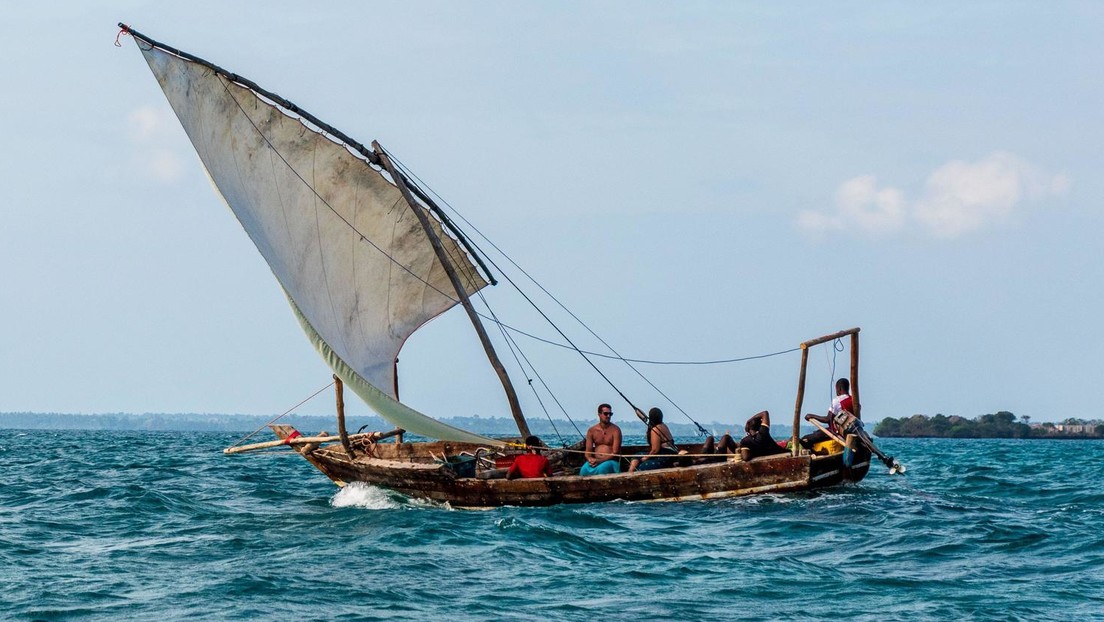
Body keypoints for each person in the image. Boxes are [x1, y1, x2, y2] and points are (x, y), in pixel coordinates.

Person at [800, 378, 856, 452]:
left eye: (836, 389)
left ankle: (814, 452)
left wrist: (811, 416)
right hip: (851, 432)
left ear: (839, 389)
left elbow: (828, 419)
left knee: (805, 439)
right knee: (817, 433)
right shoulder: (854, 400)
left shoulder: (837, 401)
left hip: (836, 433)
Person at [628, 407, 679, 472]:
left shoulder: (655, 429)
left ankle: (630, 472)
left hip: (666, 456)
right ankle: (630, 471)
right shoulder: (663, 425)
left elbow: (655, 450)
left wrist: (645, 458)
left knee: (642, 466)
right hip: (671, 453)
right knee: (637, 455)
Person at [580, 403, 622, 475]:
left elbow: (615, 452)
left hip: (610, 461)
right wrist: (590, 459)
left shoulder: (616, 430)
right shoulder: (591, 430)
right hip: (595, 461)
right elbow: (588, 452)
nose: (608, 416)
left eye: (610, 414)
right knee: (584, 469)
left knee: (602, 469)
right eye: (606, 414)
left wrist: (600, 461)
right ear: (599, 414)